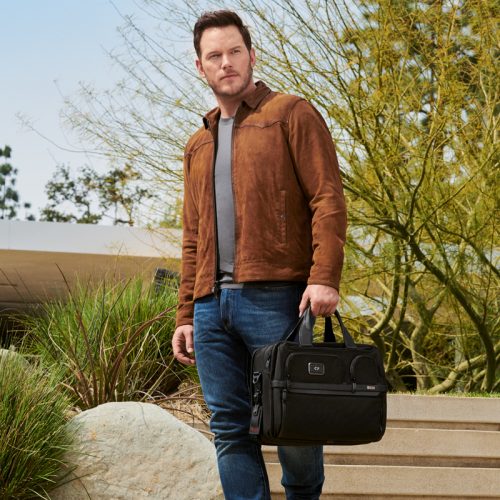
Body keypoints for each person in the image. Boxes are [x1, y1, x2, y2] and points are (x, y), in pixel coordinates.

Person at [172, 10, 347, 500]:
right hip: (210, 308)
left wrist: (324, 276)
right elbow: (192, 237)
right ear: (200, 67)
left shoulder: (291, 114)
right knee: (229, 430)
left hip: (277, 297)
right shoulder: (197, 145)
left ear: (252, 55)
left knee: (295, 420)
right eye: (214, 56)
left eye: (234, 51)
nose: (226, 63)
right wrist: (186, 312)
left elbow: (328, 200)